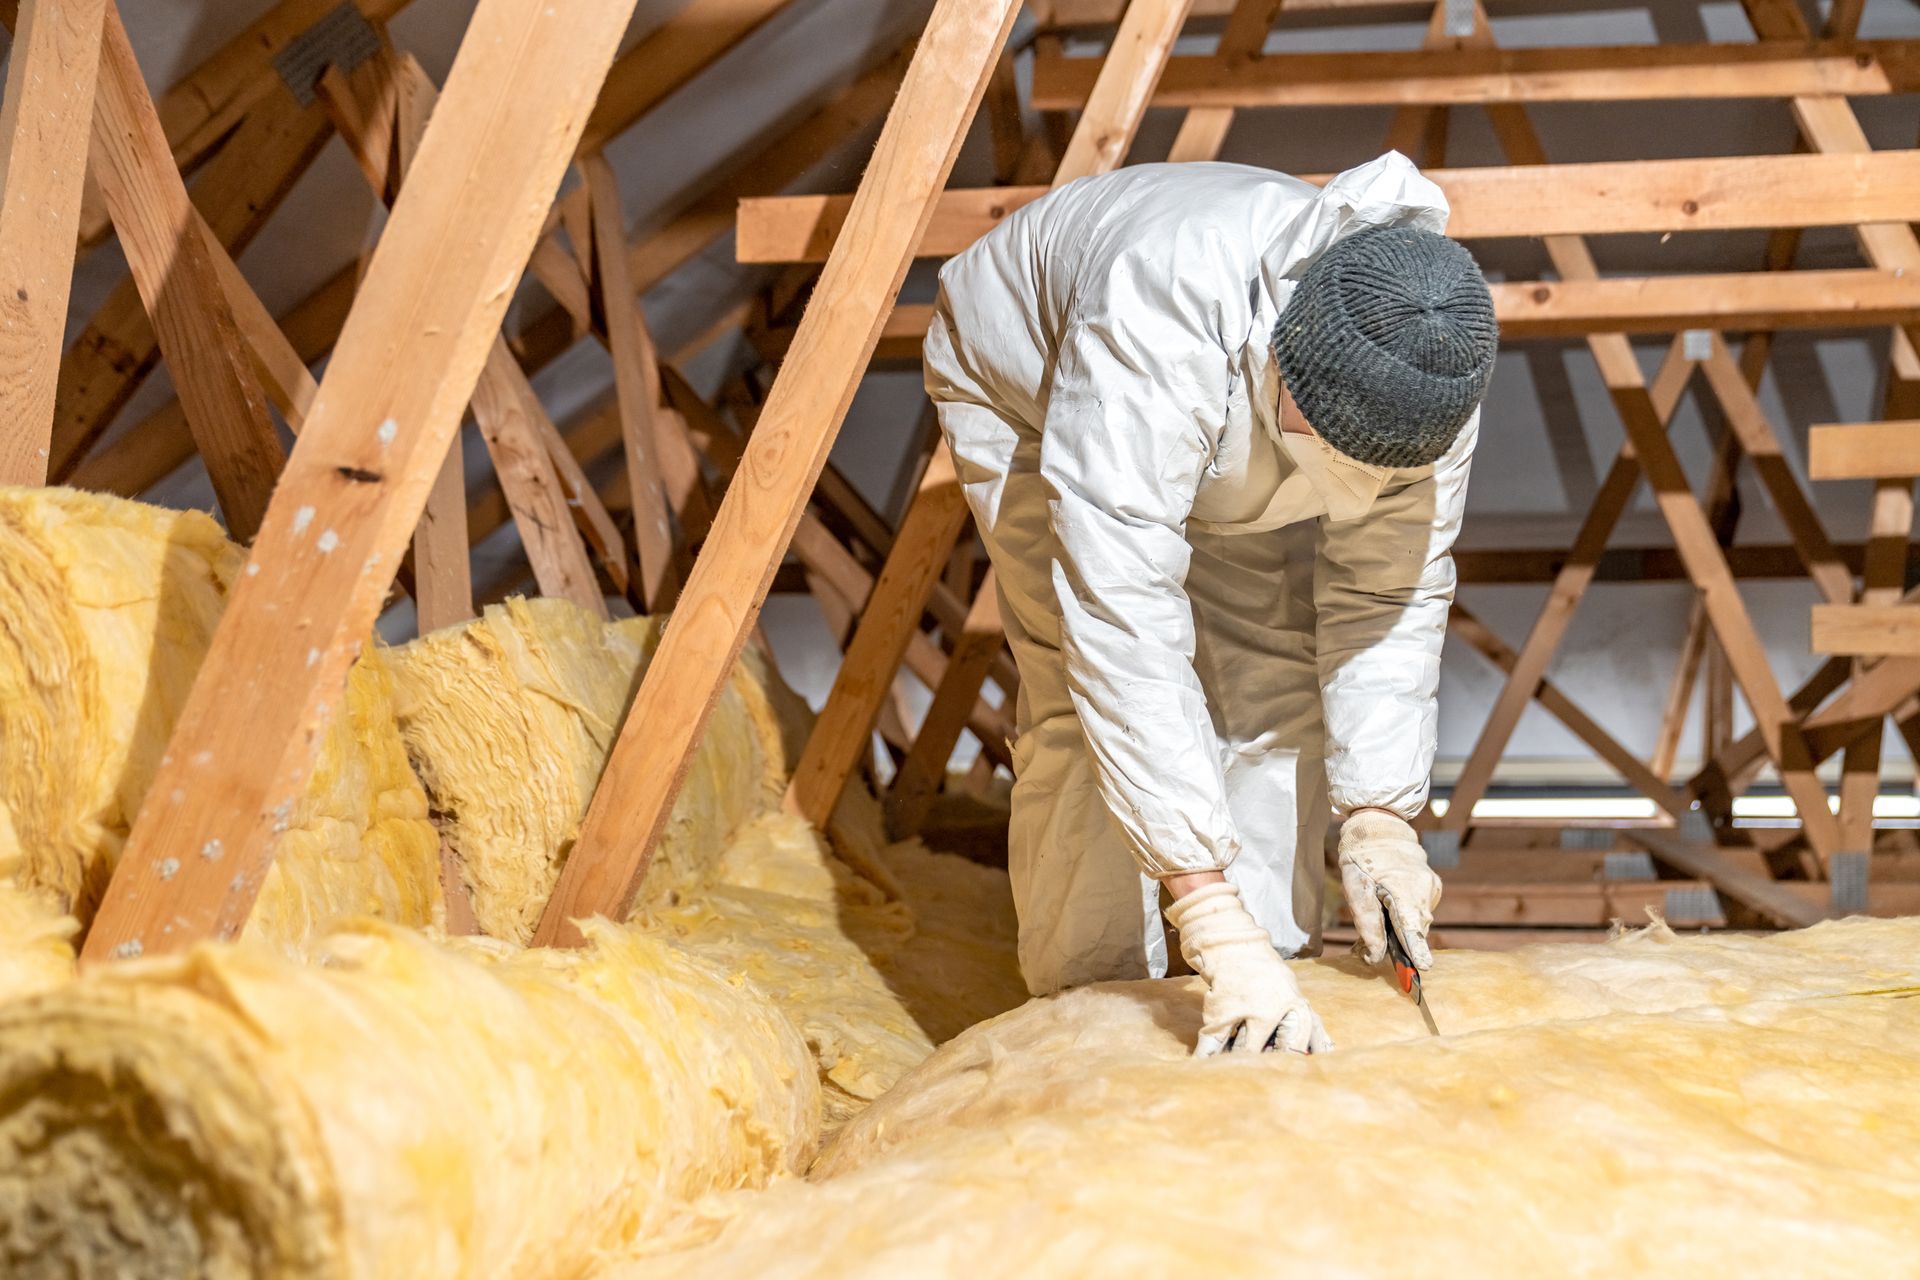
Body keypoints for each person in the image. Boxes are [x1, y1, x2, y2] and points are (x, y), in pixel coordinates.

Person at [922, 152, 1498, 1057]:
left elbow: (1389, 587)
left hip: (1226, 414)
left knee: (1266, 676)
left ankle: (1276, 982)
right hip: (1027, 379)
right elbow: (1123, 623)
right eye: (1332, 447)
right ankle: (1099, 1012)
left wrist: (1381, 813)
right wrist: (1206, 911)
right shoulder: (1159, 317)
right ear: (1284, 365)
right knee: (1081, 698)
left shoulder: (1437, 370)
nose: (1349, 485)